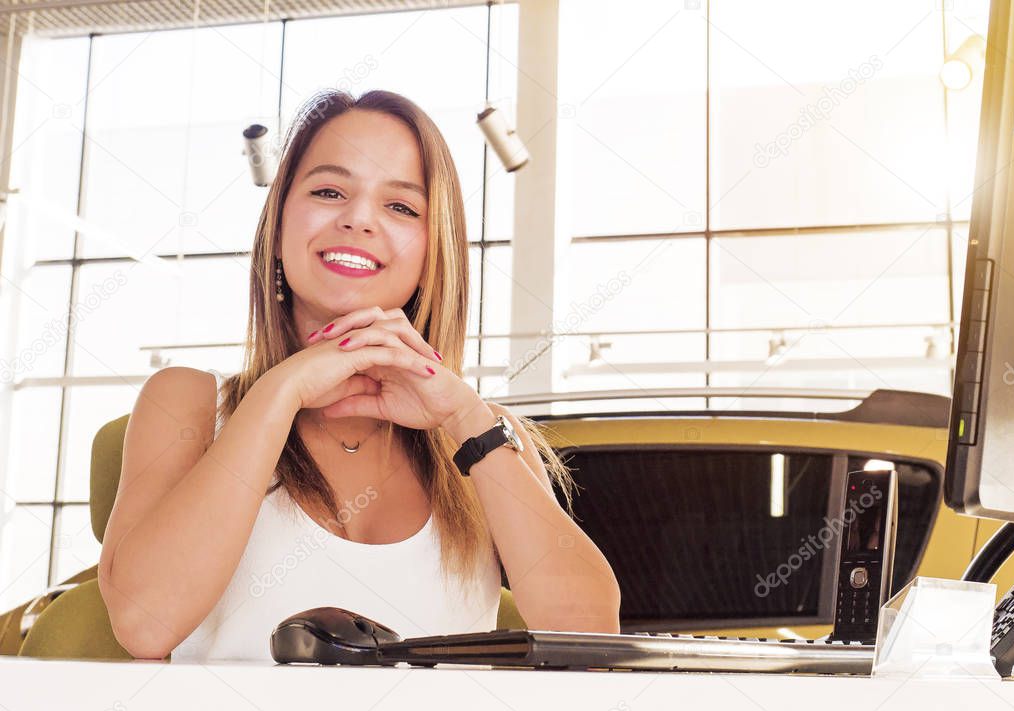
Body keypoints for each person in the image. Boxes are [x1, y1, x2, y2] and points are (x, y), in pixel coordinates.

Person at [97, 89, 621, 661]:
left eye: (400, 207)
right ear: (277, 227)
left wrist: (465, 416)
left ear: (431, 251)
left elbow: (590, 637)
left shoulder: (482, 434)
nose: (358, 219)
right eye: (328, 192)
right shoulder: (187, 401)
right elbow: (144, 625)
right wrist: (281, 390)